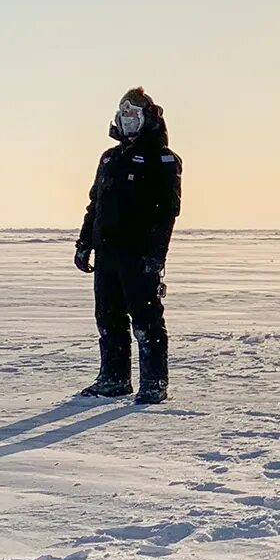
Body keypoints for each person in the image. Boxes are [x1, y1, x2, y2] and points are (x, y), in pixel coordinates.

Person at [73, 88, 182, 403]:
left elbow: (167, 214)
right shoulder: (110, 158)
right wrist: (85, 243)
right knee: (108, 317)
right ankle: (114, 378)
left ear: (147, 118)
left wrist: (155, 258)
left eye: (134, 115)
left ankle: (154, 383)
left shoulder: (162, 160)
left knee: (146, 319)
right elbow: (95, 205)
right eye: (124, 115)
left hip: (139, 254)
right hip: (107, 251)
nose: (128, 120)